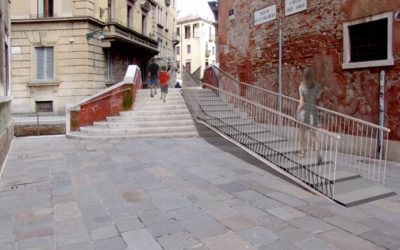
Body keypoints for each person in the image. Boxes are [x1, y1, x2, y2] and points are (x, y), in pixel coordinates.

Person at [296, 67, 322, 164]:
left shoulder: (302, 86)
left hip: (305, 113)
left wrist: (297, 111)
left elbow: (302, 103)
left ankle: (303, 151)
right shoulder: (316, 86)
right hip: (313, 111)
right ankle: (318, 154)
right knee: (315, 135)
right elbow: (318, 97)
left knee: (303, 133)